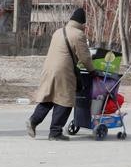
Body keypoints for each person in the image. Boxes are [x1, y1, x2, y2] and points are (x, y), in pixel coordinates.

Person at [27, 8, 94, 141]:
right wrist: (92, 70)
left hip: (48, 68)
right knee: (65, 101)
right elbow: (85, 58)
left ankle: (33, 121)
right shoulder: (78, 34)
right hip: (64, 70)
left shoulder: (58, 32)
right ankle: (55, 132)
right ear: (82, 23)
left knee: (49, 97)